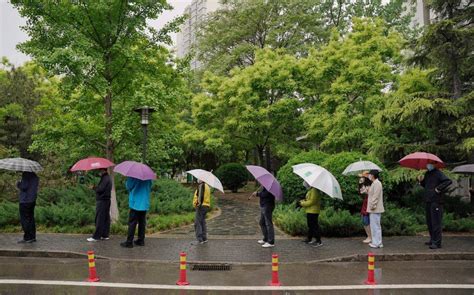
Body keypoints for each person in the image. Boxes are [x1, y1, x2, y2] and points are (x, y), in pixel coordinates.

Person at [418, 163, 452, 249]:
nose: (428, 165)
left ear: (434, 164)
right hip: (428, 201)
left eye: (430, 164)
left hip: (436, 201)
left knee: (436, 222)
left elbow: (448, 181)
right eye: (427, 164)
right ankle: (432, 239)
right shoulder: (427, 173)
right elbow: (425, 185)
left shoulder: (438, 173)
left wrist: (438, 189)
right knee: (430, 222)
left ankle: (437, 243)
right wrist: (420, 181)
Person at [120, 177, 152, 248]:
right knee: (142, 223)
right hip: (144, 203)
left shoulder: (133, 177)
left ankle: (129, 242)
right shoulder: (148, 177)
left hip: (135, 203)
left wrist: (127, 181)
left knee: (132, 223)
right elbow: (149, 187)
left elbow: (128, 186)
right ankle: (141, 240)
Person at [87, 169, 112, 242]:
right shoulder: (108, 178)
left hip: (102, 201)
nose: (99, 172)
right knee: (105, 218)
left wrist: (93, 188)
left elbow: (100, 189)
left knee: (100, 218)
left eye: (100, 170)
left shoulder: (105, 178)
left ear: (102, 170)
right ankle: (105, 235)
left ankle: (96, 237)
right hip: (106, 200)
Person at [17, 171, 39, 243]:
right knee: (31, 218)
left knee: (24, 219)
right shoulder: (35, 176)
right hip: (32, 200)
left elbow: (24, 187)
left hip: (25, 200)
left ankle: (27, 237)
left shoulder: (26, 174)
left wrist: (18, 184)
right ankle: (32, 237)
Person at [299, 181, 323, 247]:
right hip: (310, 210)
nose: (306, 184)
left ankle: (318, 241)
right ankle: (309, 239)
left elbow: (312, 201)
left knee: (314, 226)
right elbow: (309, 199)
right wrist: (304, 201)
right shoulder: (311, 189)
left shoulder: (314, 190)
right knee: (310, 225)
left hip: (313, 211)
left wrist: (303, 203)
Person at [367, 170, 384, 249]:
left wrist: (372, 206)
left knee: (375, 226)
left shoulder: (377, 183)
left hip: (375, 209)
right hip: (374, 208)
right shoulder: (374, 183)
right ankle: (378, 242)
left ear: (373, 175)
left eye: (369, 174)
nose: (369, 176)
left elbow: (375, 197)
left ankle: (376, 243)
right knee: (375, 226)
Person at [193, 180, 211, 244]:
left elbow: (200, 197)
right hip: (206, 206)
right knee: (202, 222)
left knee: (197, 222)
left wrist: (198, 204)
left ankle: (200, 239)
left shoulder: (201, 186)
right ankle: (204, 238)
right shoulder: (207, 186)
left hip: (201, 206)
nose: (198, 179)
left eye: (199, 178)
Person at [359, 171, 372, 244]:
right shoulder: (363, 183)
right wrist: (361, 182)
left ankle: (370, 237)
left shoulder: (372, 184)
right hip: (365, 203)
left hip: (369, 203)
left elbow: (367, 191)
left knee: (367, 221)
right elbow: (361, 192)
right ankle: (369, 236)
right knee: (364, 220)